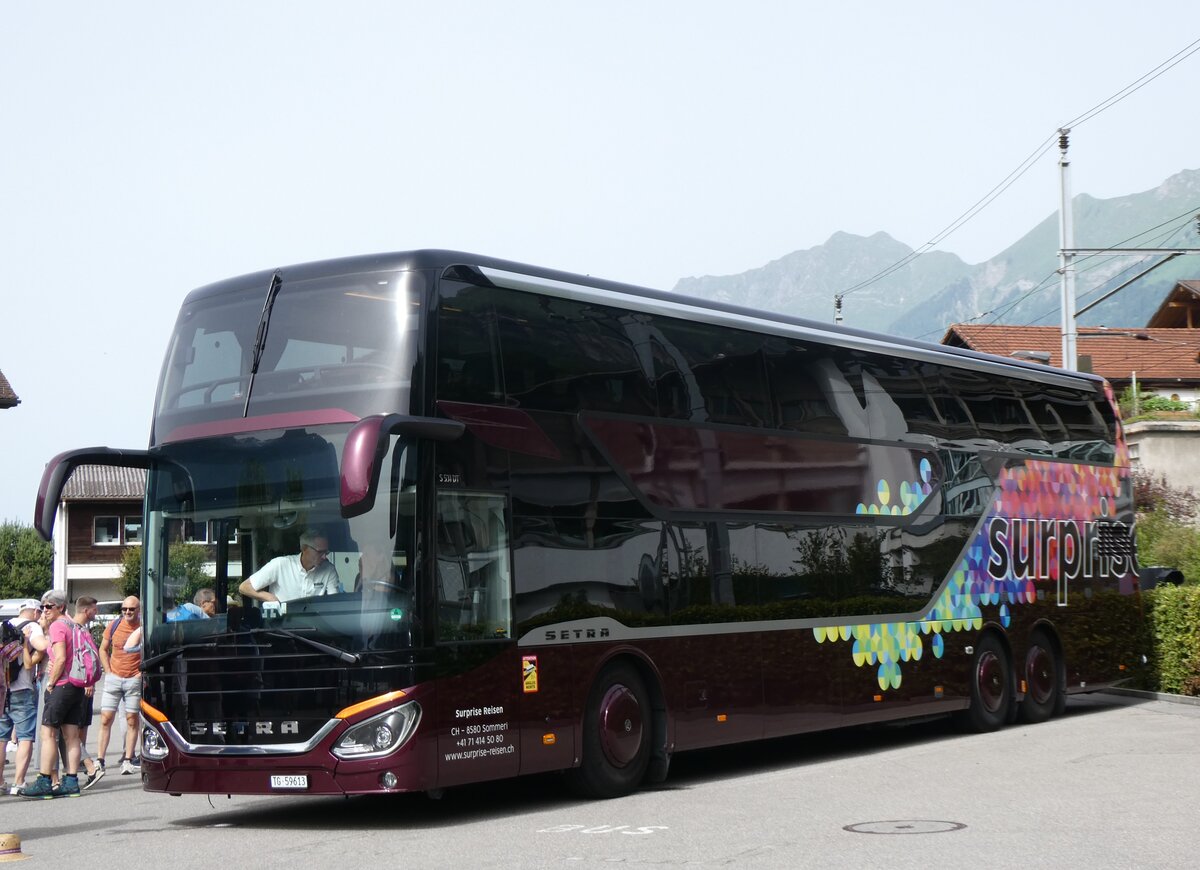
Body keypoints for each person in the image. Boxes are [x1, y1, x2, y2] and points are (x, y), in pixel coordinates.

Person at [18, 590, 86, 798]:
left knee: (48, 733)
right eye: (43, 607)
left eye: (49, 606)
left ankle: (44, 781)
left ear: (61, 607)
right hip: (76, 685)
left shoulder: (58, 626)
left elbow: (60, 657)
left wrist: (52, 683)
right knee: (72, 735)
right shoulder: (74, 625)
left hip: (62, 685)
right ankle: (72, 781)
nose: (44, 610)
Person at [0, 600, 45, 795]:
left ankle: (1, 781)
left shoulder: (4, 626)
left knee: (1, 738)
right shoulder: (33, 627)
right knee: (25, 736)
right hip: (22, 690)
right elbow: (42, 646)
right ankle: (18, 782)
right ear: (35, 612)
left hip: (2, 690)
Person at [96, 596, 142, 776]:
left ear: (138, 610)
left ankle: (128, 759)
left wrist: (141, 673)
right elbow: (103, 648)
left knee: (132, 720)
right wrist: (108, 670)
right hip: (114, 677)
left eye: (131, 609)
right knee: (106, 719)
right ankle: (100, 760)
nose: (127, 612)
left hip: (133, 679)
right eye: (124, 609)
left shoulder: (142, 627)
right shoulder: (114, 625)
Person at [239, 529, 342, 604]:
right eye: (320, 552)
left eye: (326, 552)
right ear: (304, 548)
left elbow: (334, 602)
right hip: (283, 628)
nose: (324, 556)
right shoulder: (280, 564)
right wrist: (269, 597)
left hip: (315, 627)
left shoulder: (329, 569)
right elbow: (244, 587)